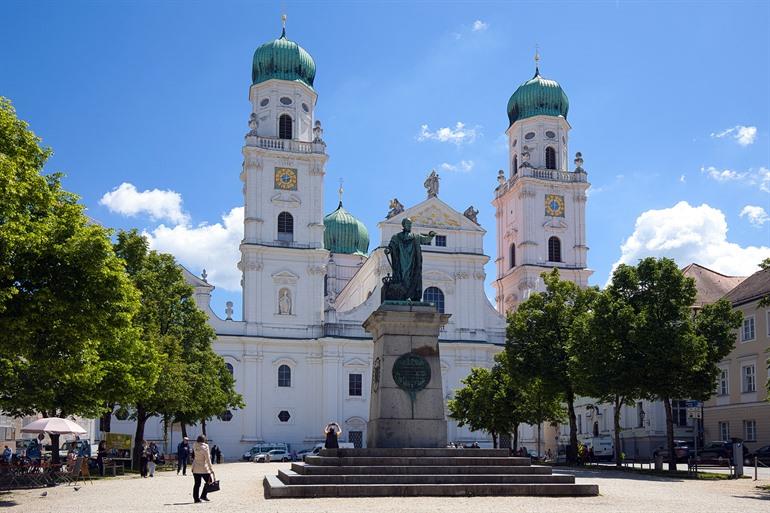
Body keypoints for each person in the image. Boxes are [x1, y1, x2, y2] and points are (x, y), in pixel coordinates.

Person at [191, 435, 214, 503]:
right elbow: (208, 459)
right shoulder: (205, 447)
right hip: (204, 468)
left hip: (195, 467)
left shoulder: (195, 446)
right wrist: (211, 468)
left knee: (197, 484)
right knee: (209, 481)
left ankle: (196, 498)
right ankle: (203, 495)